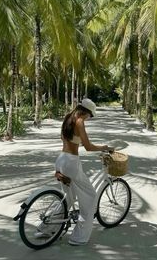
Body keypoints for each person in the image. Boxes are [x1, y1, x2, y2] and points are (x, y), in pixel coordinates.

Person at [55, 98, 113, 246]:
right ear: (86, 112)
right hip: (71, 163)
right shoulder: (79, 121)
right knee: (91, 197)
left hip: (61, 159)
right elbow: (88, 147)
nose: (89, 118)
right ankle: (78, 237)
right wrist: (104, 147)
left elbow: (65, 138)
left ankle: (47, 229)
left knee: (68, 199)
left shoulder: (68, 117)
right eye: (90, 115)